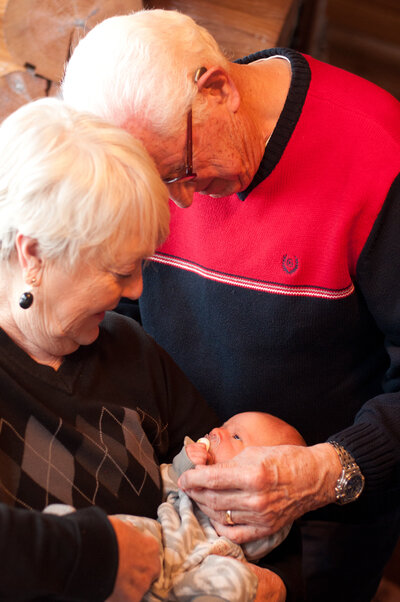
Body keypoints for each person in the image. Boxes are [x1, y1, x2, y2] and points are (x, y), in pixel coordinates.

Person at [62, 8, 400, 602]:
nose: (183, 205)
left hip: (321, 522)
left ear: (217, 88)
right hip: (171, 497)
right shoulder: (154, 150)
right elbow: (128, 318)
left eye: (181, 172)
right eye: (159, 185)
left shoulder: (380, 154)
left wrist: (329, 471)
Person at [0, 97, 222, 601]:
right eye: (120, 271)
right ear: (32, 253)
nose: (138, 291)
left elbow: (225, 477)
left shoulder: (131, 351)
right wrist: (94, 555)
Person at [51, 412, 305, 601]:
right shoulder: (192, 475)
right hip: (158, 542)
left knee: (238, 581)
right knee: (125, 532)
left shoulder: (260, 510)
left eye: (236, 436)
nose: (217, 430)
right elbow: (165, 481)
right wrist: (185, 463)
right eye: (224, 425)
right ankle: (72, 538)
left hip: (206, 563)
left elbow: (264, 540)